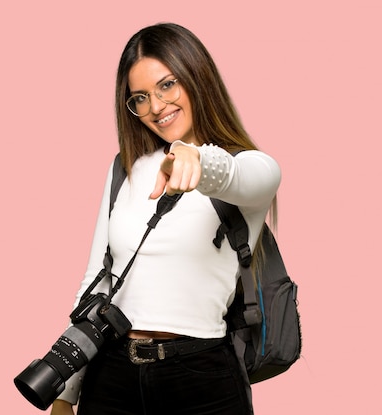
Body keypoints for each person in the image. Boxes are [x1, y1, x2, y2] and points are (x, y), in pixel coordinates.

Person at [51, 22, 281, 415]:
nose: (155, 106)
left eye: (167, 85)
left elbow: (238, 177)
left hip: (202, 375)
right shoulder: (126, 168)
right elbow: (97, 282)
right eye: (140, 97)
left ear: (196, 77)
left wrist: (195, 157)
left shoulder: (249, 166)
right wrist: (66, 390)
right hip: (111, 374)